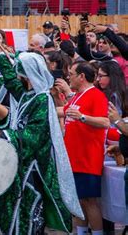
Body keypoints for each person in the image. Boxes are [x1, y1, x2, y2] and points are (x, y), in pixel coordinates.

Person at [0, 52, 83, 234]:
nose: (17, 76)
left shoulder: (42, 100)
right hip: (21, 165)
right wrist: (1, 55)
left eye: (19, 72)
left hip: (34, 169)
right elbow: (11, 81)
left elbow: (33, 137)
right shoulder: (28, 95)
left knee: (29, 215)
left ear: (27, 76)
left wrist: (2, 132)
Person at [58, 62, 110, 235]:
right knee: (78, 201)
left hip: (88, 157)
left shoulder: (96, 95)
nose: (68, 77)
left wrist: (82, 117)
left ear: (81, 76)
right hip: (74, 157)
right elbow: (62, 111)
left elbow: (104, 122)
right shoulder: (77, 96)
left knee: (89, 201)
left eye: (71, 73)